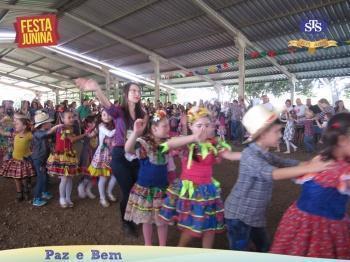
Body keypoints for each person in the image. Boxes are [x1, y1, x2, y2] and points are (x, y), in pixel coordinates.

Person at [224, 105, 332, 252]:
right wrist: (309, 168)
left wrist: (308, 163)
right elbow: (273, 173)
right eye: (277, 132)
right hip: (238, 216)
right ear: (262, 135)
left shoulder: (265, 153)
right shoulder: (250, 156)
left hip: (254, 215)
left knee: (264, 247)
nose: (280, 135)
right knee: (240, 251)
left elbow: (285, 162)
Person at [159, 107, 241, 248]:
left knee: (210, 226)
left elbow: (230, 155)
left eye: (207, 125)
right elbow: (166, 145)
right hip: (190, 192)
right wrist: (193, 137)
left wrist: (251, 154)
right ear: (191, 127)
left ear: (212, 127)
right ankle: (179, 249)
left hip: (207, 191)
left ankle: (206, 254)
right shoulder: (187, 143)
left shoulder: (214, 144)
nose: (203, 129)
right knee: (191, 225)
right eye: (199, 125)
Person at [270, 113, 350, 259]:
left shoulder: (321, 159)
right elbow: (276, 173)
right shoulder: (338, 168)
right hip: (315, 227)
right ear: (343, 140)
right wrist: (309, 168)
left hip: (302, 222)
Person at [75, 78, 146, 236]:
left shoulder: (143, 113)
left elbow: (144, 135)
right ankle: (126, 223)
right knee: (128, 190)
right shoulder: (119, 111)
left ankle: (135, 216)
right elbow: (108, 106)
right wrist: (97, 89)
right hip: (119, 154)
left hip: (136, 155)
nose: (137, 93)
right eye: (133, 90)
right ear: (126, 94)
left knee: (138, 189)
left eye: (138, 91)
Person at [124, 110, 171, 246]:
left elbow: (181, 142)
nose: (168, 128)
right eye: (165, 126)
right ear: (154, 128)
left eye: (168, 125)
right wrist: (135, 133)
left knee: (162, 221)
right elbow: (128, 149)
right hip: (145, 189)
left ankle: (162, 246)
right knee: (146, 219)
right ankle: (148, 245)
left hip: (162, 189)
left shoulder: (167, 142)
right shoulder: (144, 143)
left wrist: (186, 127)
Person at [47, 110, 89, 208]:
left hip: (69, 155)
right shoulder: (62, 128)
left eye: (72, 117)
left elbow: (70, 141)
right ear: (62, 119)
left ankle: (68, 198)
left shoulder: (70, 128)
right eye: (68, 117)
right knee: (65, 178)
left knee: (69, 178)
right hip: (61, 156)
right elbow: (72, 139)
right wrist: (85, 134)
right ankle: (62, 198)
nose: (71, 119)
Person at [0, 114, 35, 201]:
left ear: (24, 126)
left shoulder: (29, 135)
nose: (15, 125)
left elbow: (37, 137)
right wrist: (1, 122)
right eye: (15, 123)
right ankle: (19, 193)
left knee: (24, 177)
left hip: (24, 160)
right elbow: (2, 132)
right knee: (16, 178)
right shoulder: (14, 134)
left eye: (17, 124)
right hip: (15, 160)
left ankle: (26, 189)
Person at [86, 110, 118, 207]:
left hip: (112, 153)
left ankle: (109, 192)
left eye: (109, 114)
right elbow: (110, 134)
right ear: (101, 116)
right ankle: (102, 198)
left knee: (115, 175)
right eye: (104, 114)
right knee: (103, 177)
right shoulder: (101, 126)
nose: (107, 116)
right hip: (103, 154)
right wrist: (120, 127)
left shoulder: (113, 125)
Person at [31, 111, 62, 207]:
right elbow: (46, 134)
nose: (51, 124)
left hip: (44, 158)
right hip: (38, 159)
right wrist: (56, 127)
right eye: (49, 122)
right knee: (40, 178)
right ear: (44, 125)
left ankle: (44, 191)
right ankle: (36, 198)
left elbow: (51, 137)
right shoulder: (37, 133)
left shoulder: (44, 132)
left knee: (45, 176)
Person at [77, 116, 99, 201]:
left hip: (95, 155)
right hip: (88, 155)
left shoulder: (96, 130)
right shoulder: (88, 132)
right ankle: (81, 186)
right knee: (88, 173)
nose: (94, 123)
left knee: (95, 175)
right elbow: (90, 136)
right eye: (92, 122)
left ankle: (88, 189)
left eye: (94, 122)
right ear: (87, 124)